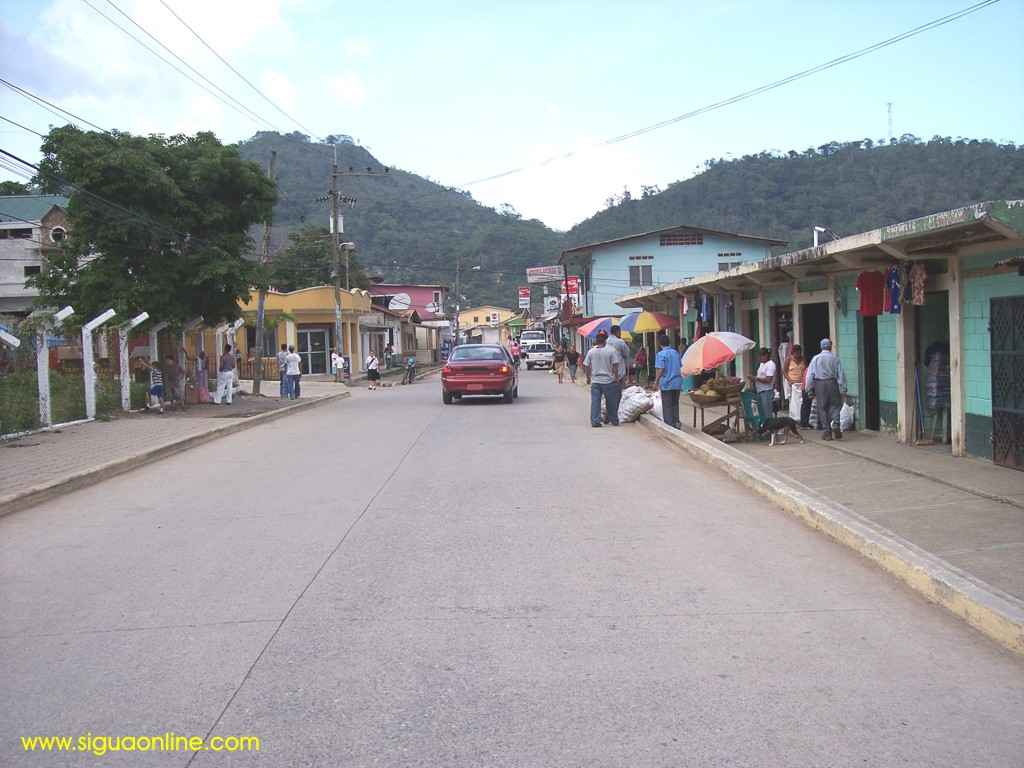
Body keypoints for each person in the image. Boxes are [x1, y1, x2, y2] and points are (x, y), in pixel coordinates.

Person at [806, 338, 847, 440]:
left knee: (822, 408)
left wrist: (809, 389)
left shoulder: (816, 358)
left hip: (820, 384)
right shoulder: (835, 358)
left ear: (821, 346)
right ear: (830, 346)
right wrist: (843, 388)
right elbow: (841, 375)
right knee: (836, 405)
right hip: (833, 383)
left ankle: (827, 431)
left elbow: (810, 375)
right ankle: (836, 424)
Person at [583, 331, 621, 428]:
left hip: (595, 381)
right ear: (606, 339)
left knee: (595, 402)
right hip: (608, 381)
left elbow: (586, 365)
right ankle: (614, 420)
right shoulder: (611, 350)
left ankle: (595, 421)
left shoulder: (591, 351)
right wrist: (616, 378)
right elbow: (615, 365)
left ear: (596, 340)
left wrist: (588, 377)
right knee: (611, 402)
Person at [654, 333, 684, 429]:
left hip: (667, 383)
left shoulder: (660, 354)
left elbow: (660, 369)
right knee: (675, 404)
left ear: (660, 343)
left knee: (667, 406)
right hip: (677, 382)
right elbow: (680, 366)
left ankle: (669, 426)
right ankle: (677, 423)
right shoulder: (676, 353)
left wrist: (656, 381)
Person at [783, 345, 809, 427]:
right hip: (792, 384)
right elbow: (784, 371)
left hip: (801, 383)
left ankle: (800, 418)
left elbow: (806, 370)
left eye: (799, 352)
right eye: (796, 352)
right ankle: (794, 419)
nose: (798, 354)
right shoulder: (788, 360)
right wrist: (790, 380)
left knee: (801, 402)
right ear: (793, 353)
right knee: (794, 402)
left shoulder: (803, 359)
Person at [753, 347, 777, 420]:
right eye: (759, 356)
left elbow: (768, 379)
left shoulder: (771, 364)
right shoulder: (761, 364)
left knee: (767, 413)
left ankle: (769, 428)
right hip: (760, 391)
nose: (760, 357)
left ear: (766, 355)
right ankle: (764, 427)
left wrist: (756, 378)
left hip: (766, 391)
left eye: (762, 355)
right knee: (761, 412)